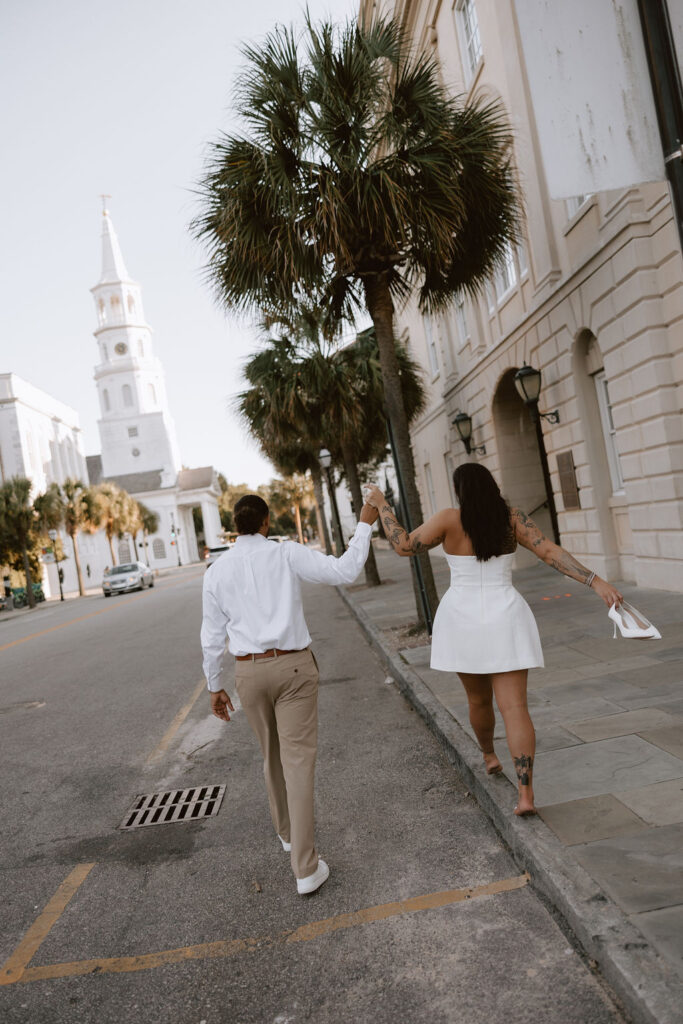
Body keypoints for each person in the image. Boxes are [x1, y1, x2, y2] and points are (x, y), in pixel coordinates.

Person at [364, 465, 622, 817]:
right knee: (515, 708)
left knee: (478, 700)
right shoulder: (512, 518)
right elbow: (549, 552)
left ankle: (488, 755)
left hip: (461, 621)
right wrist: (596, 582)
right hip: (506, 617)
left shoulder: (448, 520)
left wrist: (382, 505)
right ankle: (526, 795)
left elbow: (405, 546)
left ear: (460, 492)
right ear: (492, 487)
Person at [201, 493, 378, 894]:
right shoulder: (285, 554)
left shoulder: (217, 570)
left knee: (272, 756)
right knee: (298, 763)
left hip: (248, 672)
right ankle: (306, 869)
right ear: (265, 522)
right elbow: (344, 570)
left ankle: (286, 835)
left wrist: (215, 685)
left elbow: (211, 637)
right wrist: (365, 524)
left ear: (236, 526)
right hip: (293, 667)